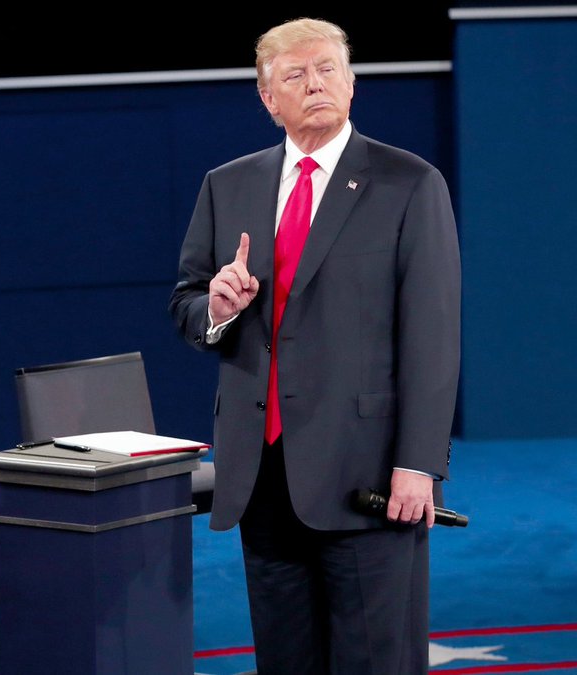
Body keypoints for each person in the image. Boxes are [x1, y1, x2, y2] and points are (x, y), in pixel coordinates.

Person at [168, 18, 460, 674]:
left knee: (373, 660)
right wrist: (214, 309)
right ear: (268, 99)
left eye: (327, 68)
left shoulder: (409, 184)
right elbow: (185, 305)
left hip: (368, 476)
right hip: (261, 477)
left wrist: (419, 463)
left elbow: (433, 338)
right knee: (286, 660)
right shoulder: (228, 185)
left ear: (352, 84)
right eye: (294, 75)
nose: (315, 83)